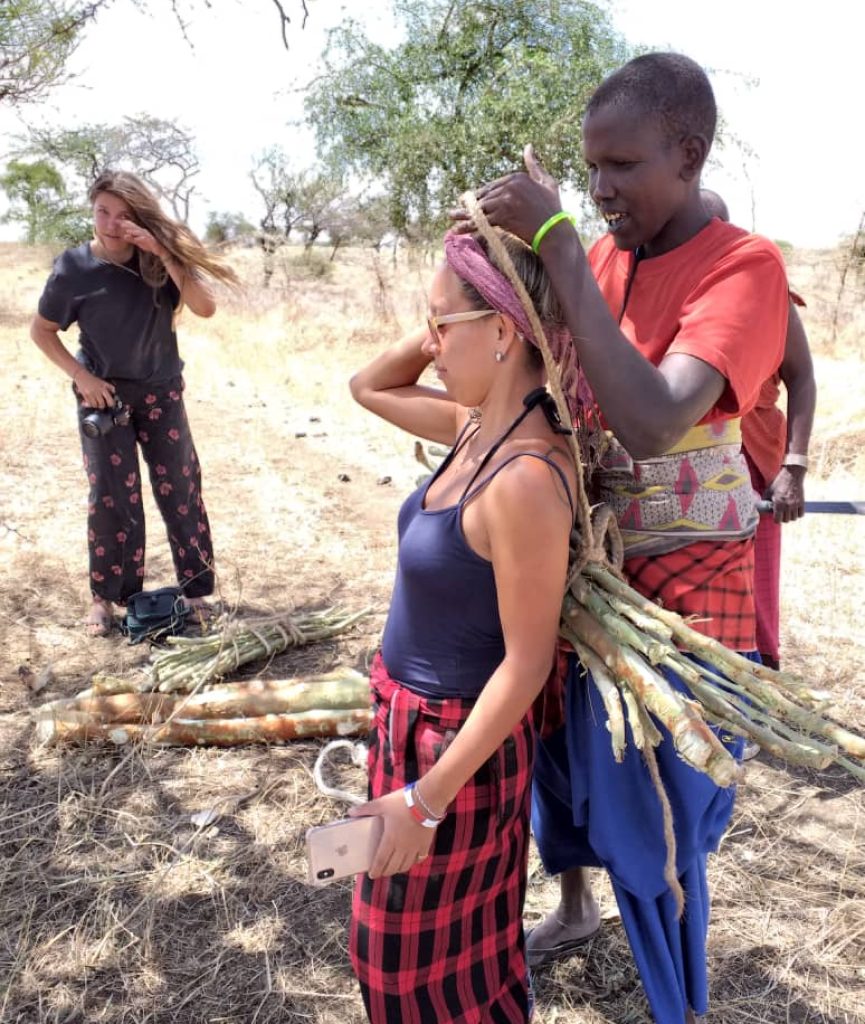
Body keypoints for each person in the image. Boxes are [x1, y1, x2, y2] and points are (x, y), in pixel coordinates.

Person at [455, 53, 790, 1023]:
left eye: (622, 166)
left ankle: (674, 1002)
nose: (599, 190)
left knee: (655, 817)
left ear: (687, 155)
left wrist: (558, 239)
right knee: (559, 763)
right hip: (585, 570)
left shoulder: (743, 266)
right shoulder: (599, 258)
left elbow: (652, 421)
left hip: (682, 597)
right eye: (588, 170)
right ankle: (571, 906)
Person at [347, 227, 578, 1023]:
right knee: (445, 967)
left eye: (443, 327)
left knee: (408, 972)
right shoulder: (479, 429)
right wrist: (451, 311)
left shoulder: (522, 476)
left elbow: (527, 662)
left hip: (455, 751)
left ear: (506, 331)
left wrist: (426, 800)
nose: (431, 347)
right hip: (408, 727)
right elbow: (367, 385)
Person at [30, 170, 239, 636]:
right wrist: (82, 377)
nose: (110, 222)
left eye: (123, 215)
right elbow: (41, 331)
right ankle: (107, 599)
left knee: (180, 489)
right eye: (103, 211)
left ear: (139, 219)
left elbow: (206, 307)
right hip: (106, 400)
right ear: (92, 209)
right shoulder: (74, 268)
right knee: (110, 497)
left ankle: (197, 590)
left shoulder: (156, 264)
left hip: (162, 391)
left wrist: (162, 251)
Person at [701, 188, 817, 671]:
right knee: (703, 599)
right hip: (692, 467)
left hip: (759, 462)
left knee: (758, 588)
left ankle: (761, 690)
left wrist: (794, 466)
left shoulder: (765, 291)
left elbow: (803, 377)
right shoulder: (664, 287)